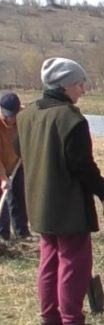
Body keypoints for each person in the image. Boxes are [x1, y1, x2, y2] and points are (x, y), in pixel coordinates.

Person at [17, 58, 104, 325]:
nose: (83, 89)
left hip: (39, 202)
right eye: (80, 84)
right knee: (74, 261)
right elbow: (82, 165)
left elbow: (19, 150)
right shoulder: (71, 119)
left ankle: (49, 321)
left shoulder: (26, 115)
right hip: (68, 205)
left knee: (48, 259)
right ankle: (74, 324)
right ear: (66, 85)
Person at [0, 92, 30, 241]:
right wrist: (3, 177)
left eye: (12, 115)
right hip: (1, 165)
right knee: (2, 202)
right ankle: (3, 236)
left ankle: (22, 233)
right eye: (6, 115)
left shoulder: (23, 119)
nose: (9, 119)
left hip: (17, 165)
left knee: (19, 198)